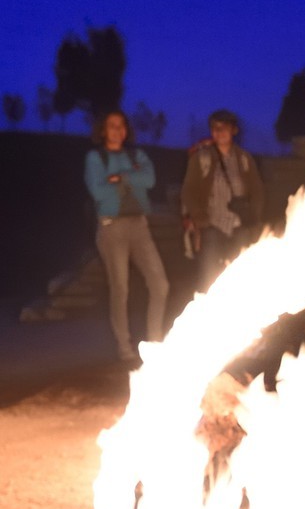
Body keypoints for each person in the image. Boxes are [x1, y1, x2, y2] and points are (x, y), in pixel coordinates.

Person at [85, 108, 169, 366]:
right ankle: (124, 346)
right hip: (112, 228)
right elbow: (99, 193)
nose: (117, 130)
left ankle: (154, 343)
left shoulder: (137, 154)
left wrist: (119, 177)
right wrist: (133, 178)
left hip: (139, 225)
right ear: (103, 130)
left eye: (121, 125)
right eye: (112, 125)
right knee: (120, 288)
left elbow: (151, 179)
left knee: (160, 284)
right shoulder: (95, 157)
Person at [181, 109, 266, 286]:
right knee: (209, 277)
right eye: (215, 128)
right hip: (211, 225)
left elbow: (257, 189)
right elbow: (189, 190)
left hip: (239, 226)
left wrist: (254, 217)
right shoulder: (201, 157)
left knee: (240, 276)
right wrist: (198, 216)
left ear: (233, 130)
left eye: (224, 127)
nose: (219, 132)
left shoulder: (243, 158)